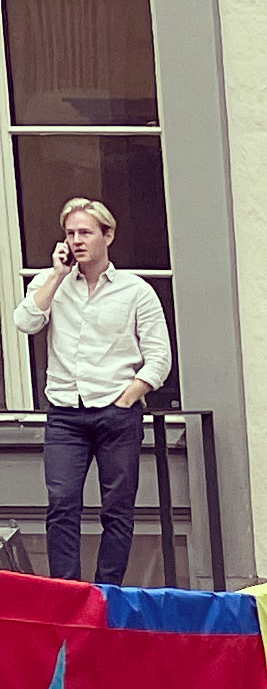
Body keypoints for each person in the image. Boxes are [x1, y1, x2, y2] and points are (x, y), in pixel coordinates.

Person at [15, 200, 169, 587]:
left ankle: (106, 593)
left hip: (117, 414)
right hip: (66, 413)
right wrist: (55, 275)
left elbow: (159, 357)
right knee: (62, 504)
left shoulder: (136, 291)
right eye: (70, 233)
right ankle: (67, 594)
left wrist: (131, 394)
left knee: (117, 510)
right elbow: (25, 321)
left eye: (85, 232)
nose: (76, 240)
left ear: (108, 236)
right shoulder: (51, 283)